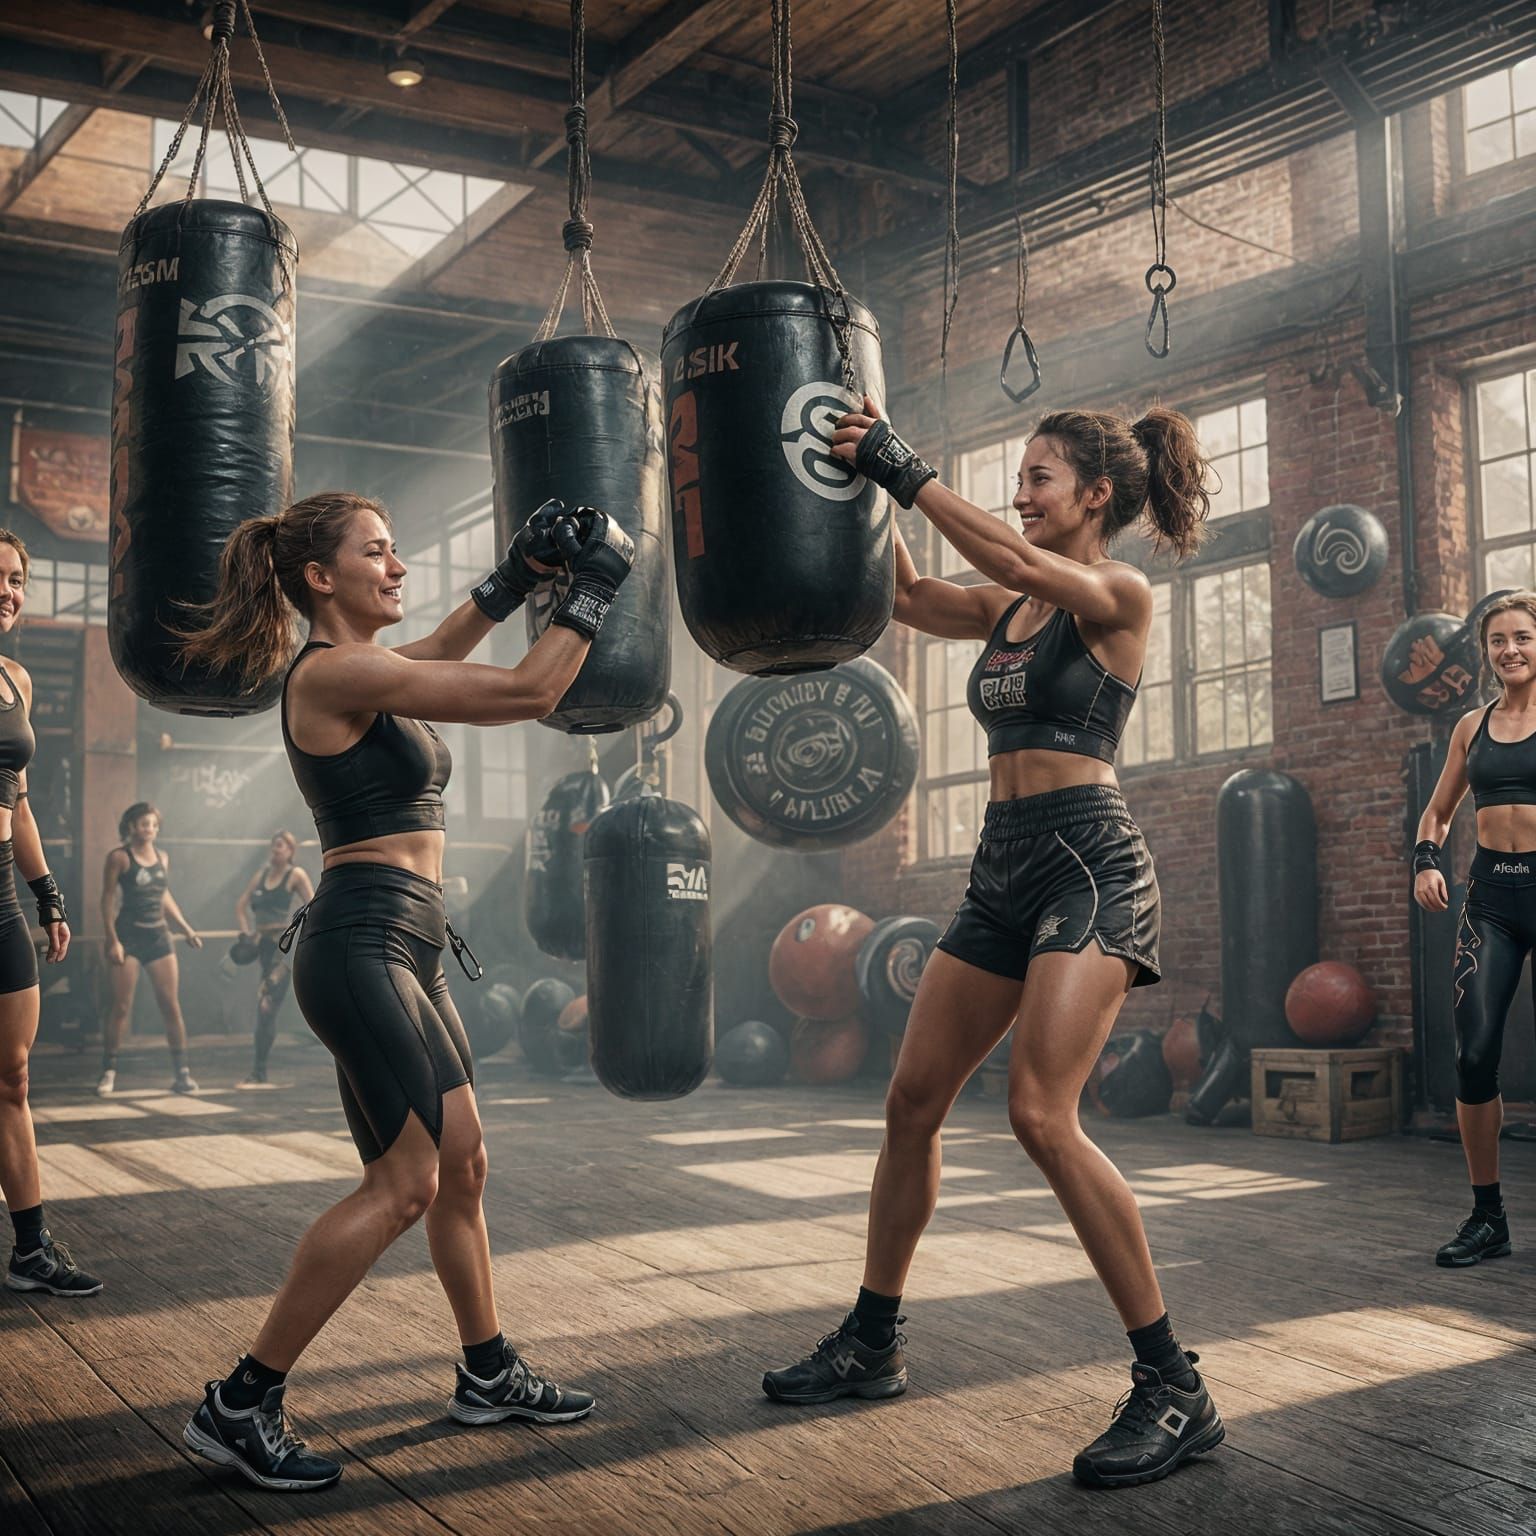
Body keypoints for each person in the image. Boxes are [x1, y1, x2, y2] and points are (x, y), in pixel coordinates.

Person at [762, 399, 1224, 1490]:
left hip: (1088, 868)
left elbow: (1012, 552)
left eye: (1040, 476)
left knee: (1038, 1113)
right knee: (910, 1100)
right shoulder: (1013, 600)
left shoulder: (1117, 593)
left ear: (1095, 496)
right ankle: (874, 1340)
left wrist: (900, 462)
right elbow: (916, 595)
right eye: (1017, 476)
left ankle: (1173, 1385)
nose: (1023, 493)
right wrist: (846, 489)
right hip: (1002, 870)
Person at [173, 491, 629, 1491]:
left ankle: (486, 1370)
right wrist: (591, 589)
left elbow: (433, 645)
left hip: (409, 941)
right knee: (403, 1185)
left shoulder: (369, 670)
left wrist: (513, 578)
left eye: (397, 549)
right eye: (376, 552)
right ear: (319, 578)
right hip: (362, 940)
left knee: (460, 1166)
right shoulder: (332, 673)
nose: (397, 565)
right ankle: (239, 1401)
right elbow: (525, 692)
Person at [1413, 590, 1536, 1269]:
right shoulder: (1472, 726)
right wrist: (1426, 862)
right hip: (1491, 899)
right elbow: (1437, 813)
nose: (1510, 650)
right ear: (1485, 652)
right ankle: (1488, 1217)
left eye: (1522, 637)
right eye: (1498, 641)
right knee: (1474, 1055)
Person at [0, 530, 100, 1299]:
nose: (9, 590)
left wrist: (49, 896)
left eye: (17, 579)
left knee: (13, 1078)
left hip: (3, 892)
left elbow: (22, 804)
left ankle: (30, 1249)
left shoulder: (17, 681)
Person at [97, 803, 202, 1095]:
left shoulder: (162, 857)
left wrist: (186, 928)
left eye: (154, 825)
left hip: (159, 936)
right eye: (145, 824)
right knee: (120, 1007)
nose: (150, 830)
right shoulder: (119, 857)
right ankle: (109, 1070)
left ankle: (182, 1073)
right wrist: (112, 939)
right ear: (131, 826)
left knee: (170, 1005)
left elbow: (164, 896)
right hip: (128, 937)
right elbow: (107, 900)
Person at [234, 830, 314, 1086]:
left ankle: (259, 1071)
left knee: (266, 1005)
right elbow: (241, 905)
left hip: (282, 949)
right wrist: (248, 933)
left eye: (281, 846)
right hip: (263, 947)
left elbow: (312, 906)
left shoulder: (296, 875)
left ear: (291, 850)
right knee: (264, 1006)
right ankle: (258, 1071)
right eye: (274, 846)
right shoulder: (262, 875)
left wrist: (291, 931)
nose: (276, 850)